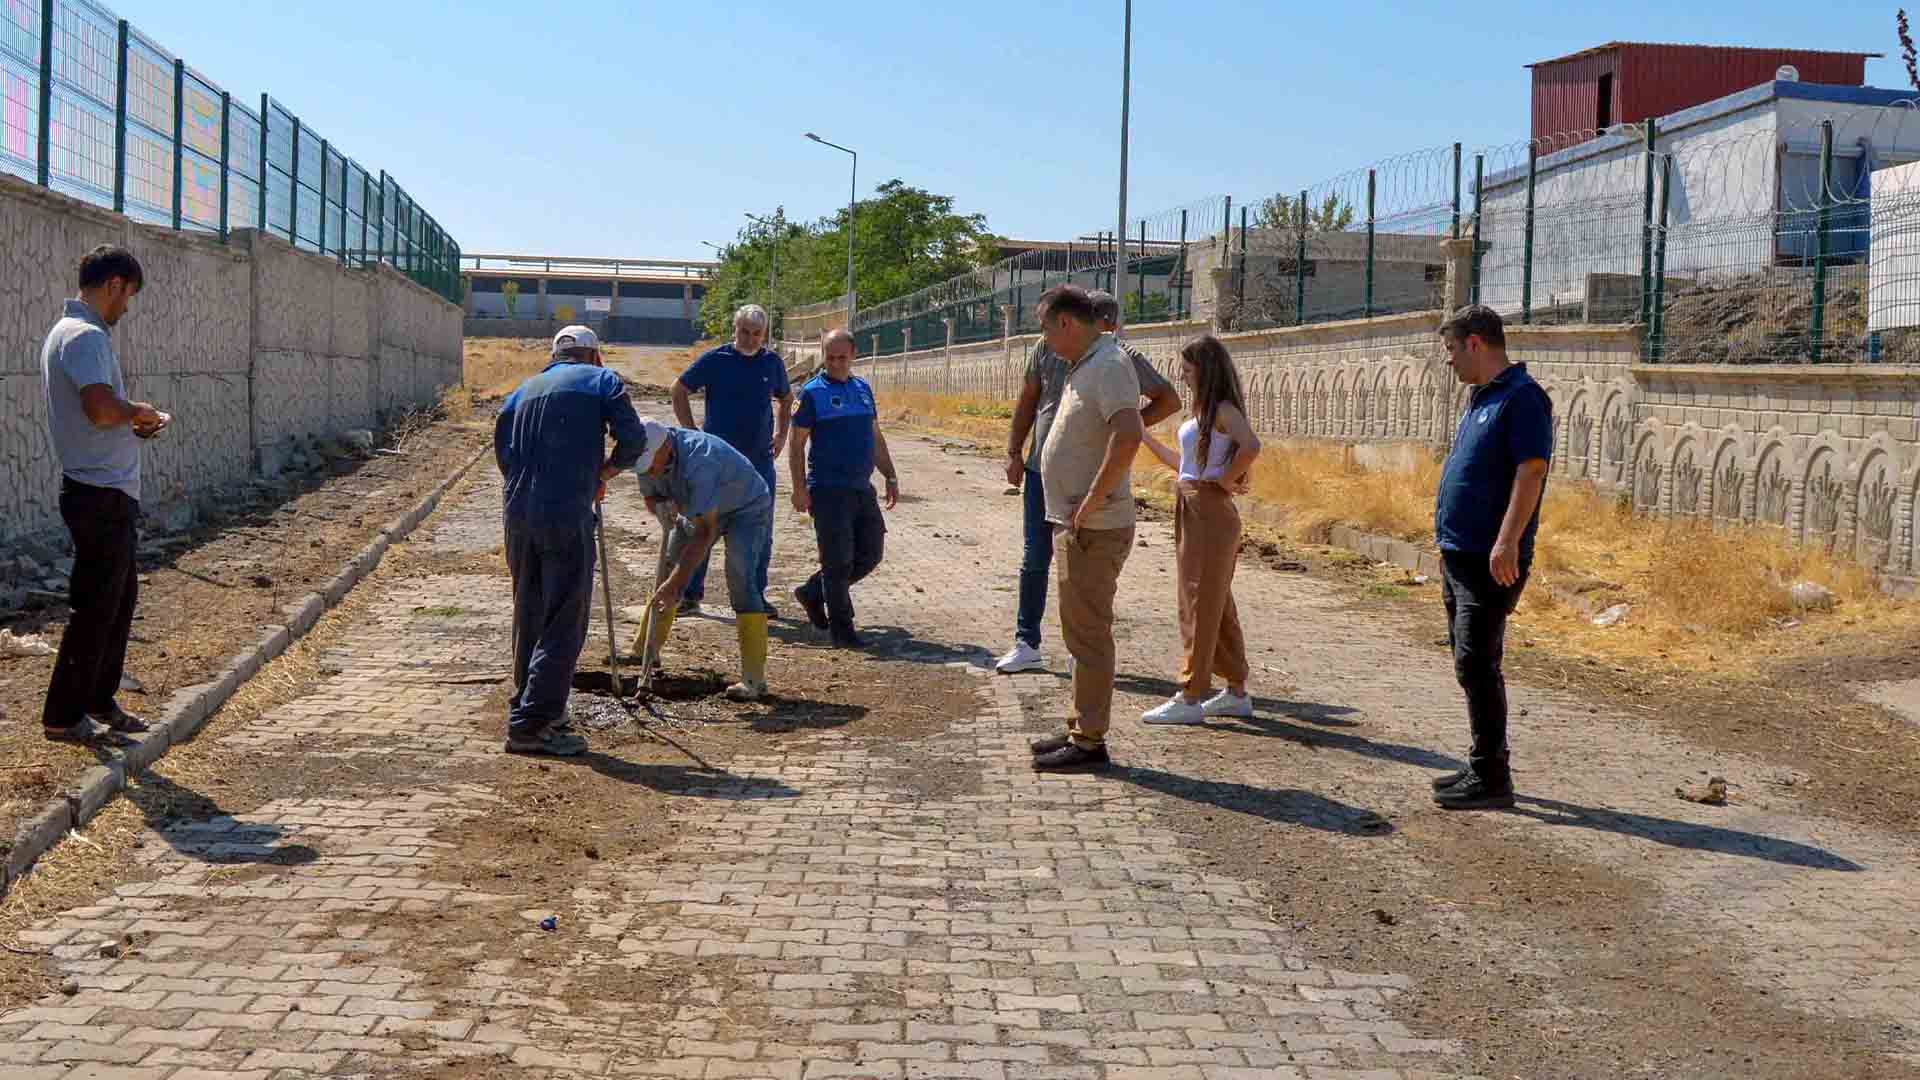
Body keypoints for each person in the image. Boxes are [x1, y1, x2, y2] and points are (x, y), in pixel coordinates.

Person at [997, 288, 1178, 676]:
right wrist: (1015, 451)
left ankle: (1085, 662)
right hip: (1040, 473)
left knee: (1080, 578)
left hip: (1085, 486)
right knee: (1035, 557)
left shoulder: (1116, 360)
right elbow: (1029, 398)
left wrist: (1119, 430)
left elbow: (1167, 399)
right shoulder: (1047, 350)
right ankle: (1027, 642)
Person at [495, 325, 647, 756]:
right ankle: (531, 723)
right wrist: (604, 474)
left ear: (555, 356)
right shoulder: (603, 381)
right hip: (565, 514)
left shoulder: (523, 390)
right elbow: (633, 440)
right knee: (565, 618)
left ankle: (533, 703)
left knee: (530, 612)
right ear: (595, 356)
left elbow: (503, 452)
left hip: (518, 515)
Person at [39, 245, 168, 745]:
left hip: (101, 490)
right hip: (99, 494)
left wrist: (132, 422)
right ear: (114, 284)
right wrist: (140, 411)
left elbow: (96, 413)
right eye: (128, 295)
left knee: (118, 600)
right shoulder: (86, 335)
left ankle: (97, 698)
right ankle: (63, 716)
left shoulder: (69, 334)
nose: (127, 308)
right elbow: (98, 408)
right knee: (95, 606)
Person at [1429, 305, 1551, 810]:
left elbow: (1532, 473)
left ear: (1476, 343)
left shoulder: (1522, 399)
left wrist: (1506, 541)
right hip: (1459, 553)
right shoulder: (1482, 399)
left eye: (1453, 350)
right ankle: (1482, 762)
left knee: (1478, 662)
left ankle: (1492, 778)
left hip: (1489, 557)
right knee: (1468, 663)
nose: (1450, 362)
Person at [1026, 285, 1146, 772]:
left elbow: (1130, 433)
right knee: (1079, 631)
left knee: (1090, 634)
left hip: (1095, 525)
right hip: (1079, 522)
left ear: (1067, 324)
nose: (1045, 340)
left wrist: (1094, 498)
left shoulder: (1111, 364)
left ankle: (1090, 741)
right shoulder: (1088, 364)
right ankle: (1082, 724)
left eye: (1045, 328)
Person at [1135, 335, 1262, 725]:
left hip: (1208, 507)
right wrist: (1144, 437)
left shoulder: (1223, 408)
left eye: (1188, 369)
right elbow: (1187, 464)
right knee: (1215, 601)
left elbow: (1251, 446)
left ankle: (1190, 695)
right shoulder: (1204, 413)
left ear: (1205, 369)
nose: (1183, 376)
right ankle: (1236, 689)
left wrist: (1225, 479)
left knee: (1198, 601)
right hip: (1192, 500)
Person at [634, 421, 777, 702]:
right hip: (700, 510)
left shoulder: (700, 461)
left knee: (740, 578)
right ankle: (644, 652)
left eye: (652, 464)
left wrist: (677, 583)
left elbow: (704, 532)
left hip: (745, 507)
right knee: (666, 569)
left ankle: (754, 680)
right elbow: (651, 494)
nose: (649, 470)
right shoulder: (643, 453)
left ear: (665, 447)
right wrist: (658, 506)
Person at [671, 304, 791, 617]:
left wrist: (781, 436)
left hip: (758, 465)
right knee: (702, 526)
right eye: (744, 332)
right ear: (733, 330)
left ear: (764, 334)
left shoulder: (772, 363)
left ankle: (755, 596)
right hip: (715, 466)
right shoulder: (716, 360)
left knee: (759, 532)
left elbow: (786, 399)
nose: (750, 339)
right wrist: (691, 434)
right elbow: (679, 389)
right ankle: (688, 593)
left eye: (756, 333)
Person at [789, 329, 900, 647]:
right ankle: (842, 631)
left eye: (842, 357)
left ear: (853, 355)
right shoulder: (811, 393)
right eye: (830, 357)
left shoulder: (863, 389)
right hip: (827, 489)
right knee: (837, 562)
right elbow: (797, 445)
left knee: (871, 553)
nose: (836, 363)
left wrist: (890, 476)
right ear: (823, 356)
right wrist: (799, 488)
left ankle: (814, 592)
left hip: (861, 488)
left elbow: (876, 438)